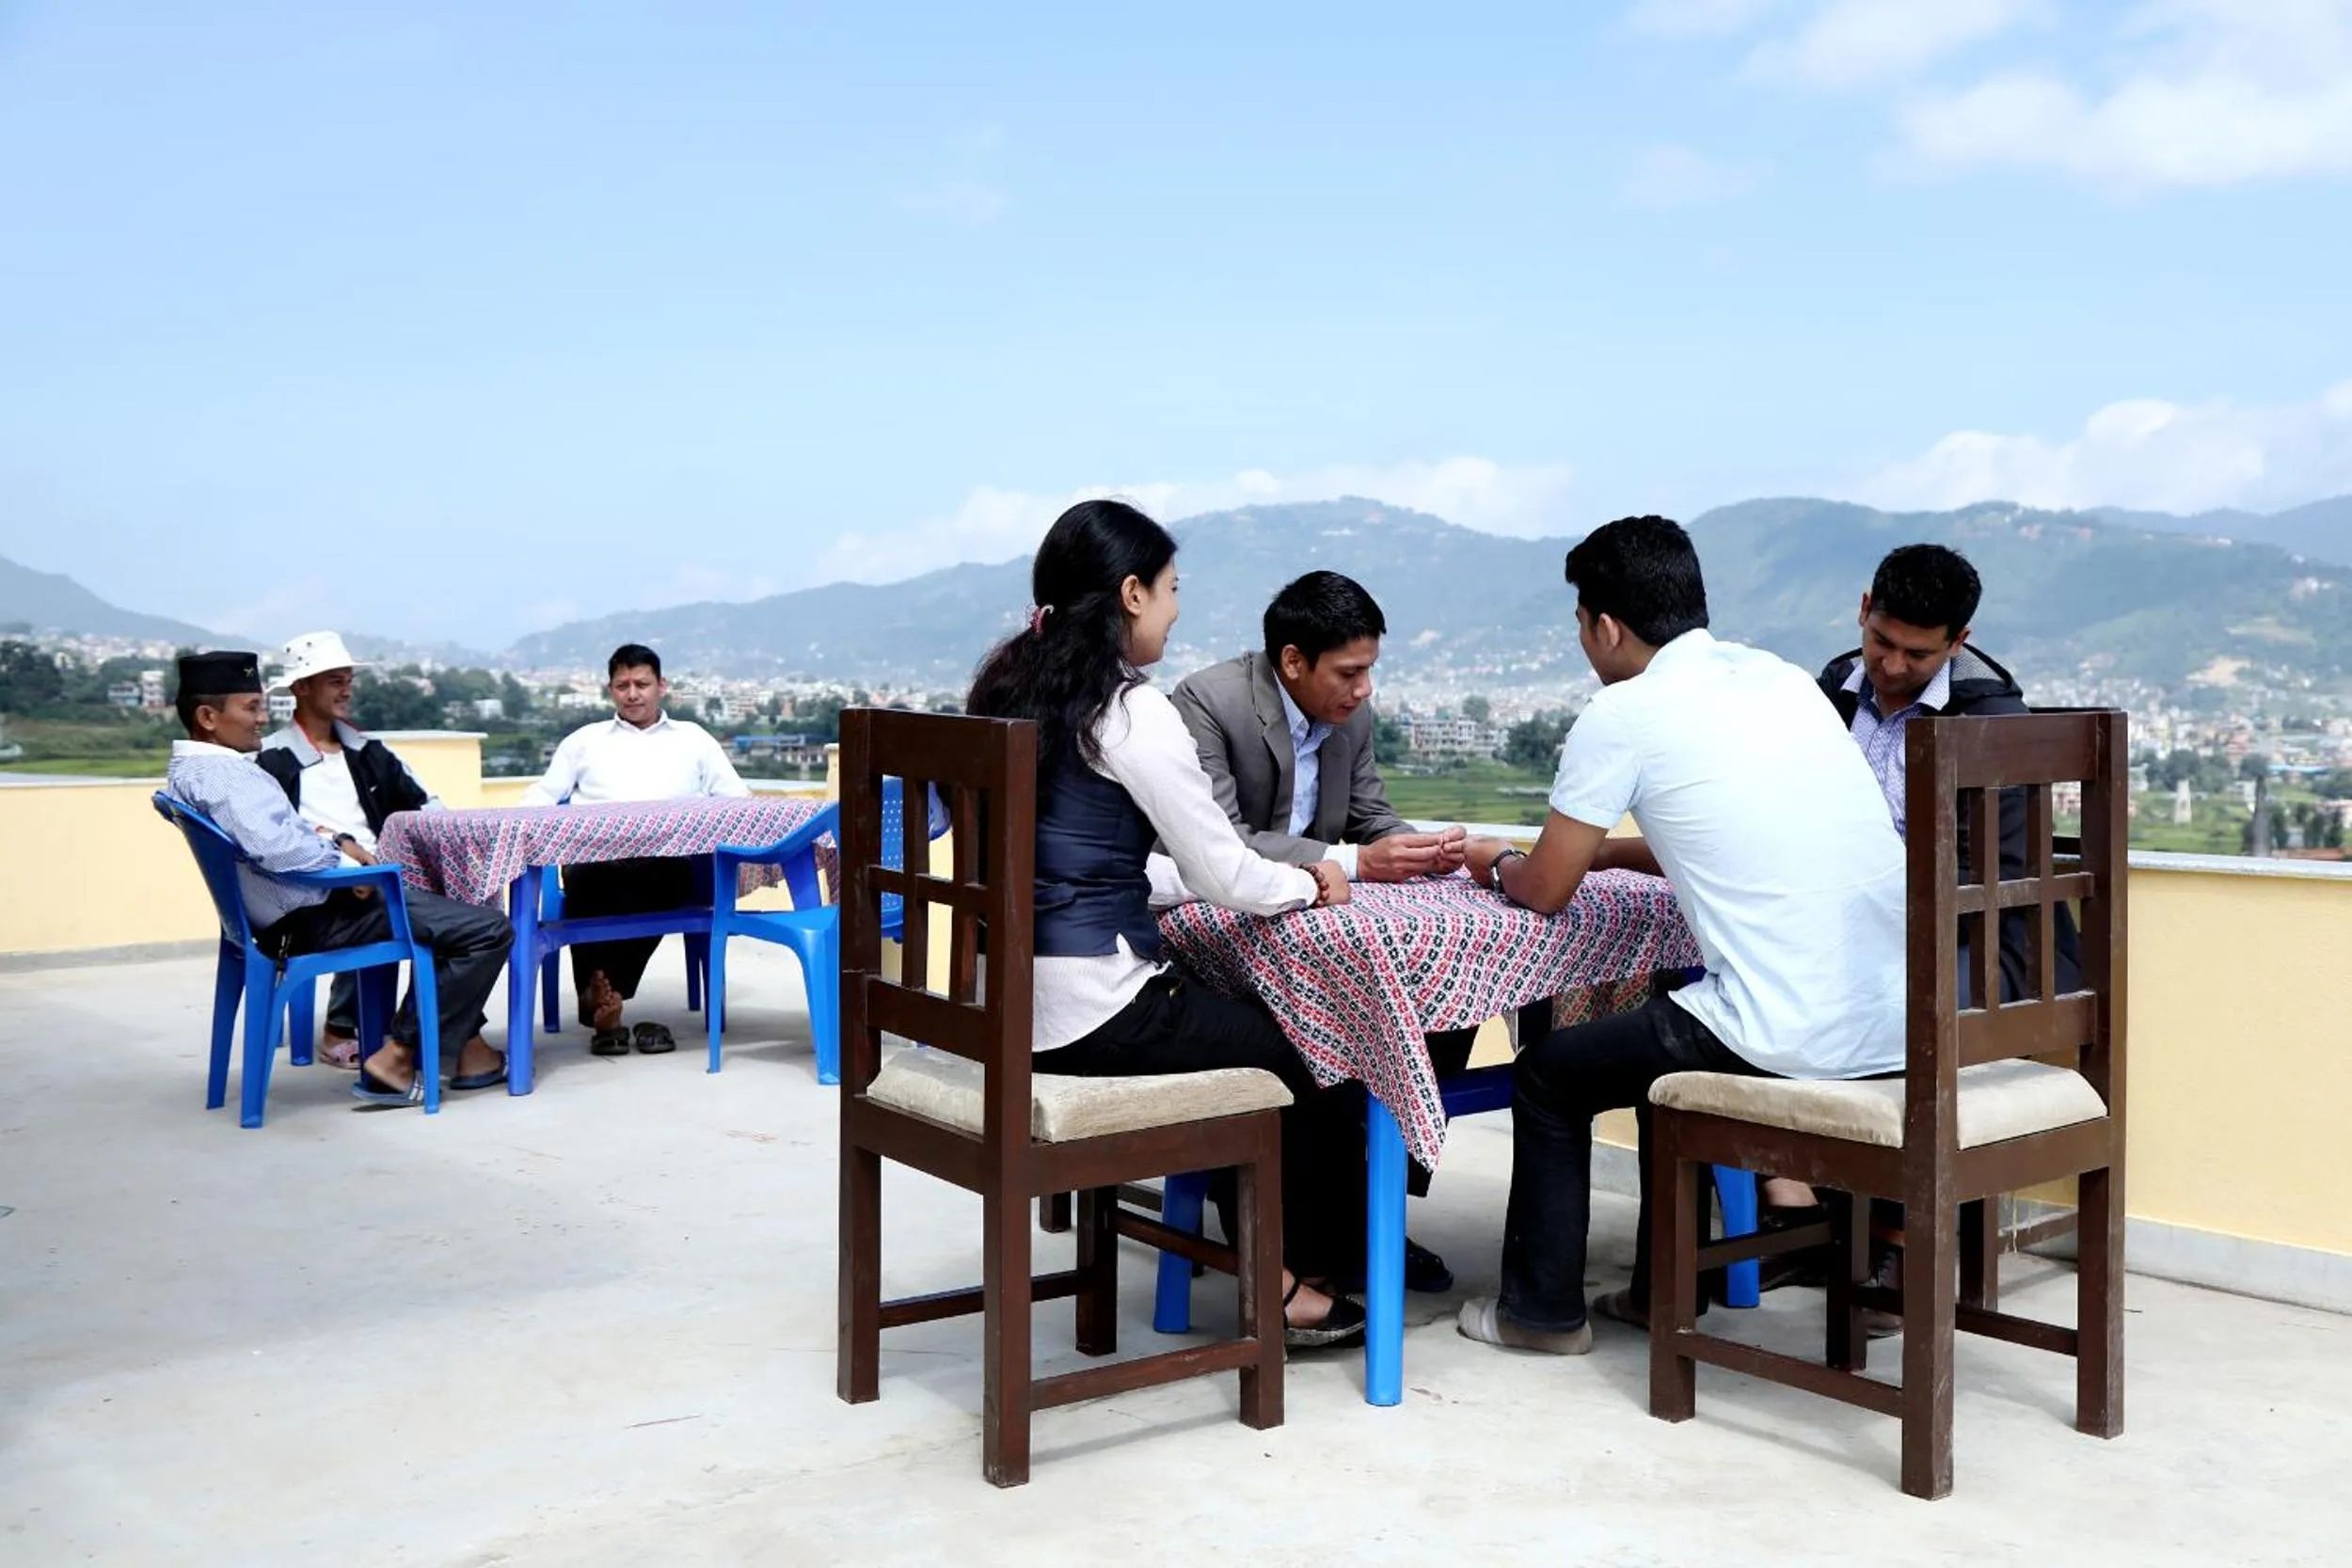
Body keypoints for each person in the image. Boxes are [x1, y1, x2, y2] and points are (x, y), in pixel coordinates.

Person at [1448, 515, 1908, 1355]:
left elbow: (1545, 890)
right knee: (1667, 1016)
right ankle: (1667, 1290)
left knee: (1551, 1074)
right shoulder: (1783, 681)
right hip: (1898, 1018)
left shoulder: (1623, 711)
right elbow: (1707, 836)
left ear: (1605, 625)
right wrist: (1587, 856)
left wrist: (1502, 860)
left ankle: (1540, 1314)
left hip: (1789, 1030)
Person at [966, 499, 1368, 1348]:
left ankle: (1274, 1261)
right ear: (1132, 594)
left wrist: (1179, 884)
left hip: (1002, 1010)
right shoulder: (1130, 709)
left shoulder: (1008, 688)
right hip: (1091, 1012)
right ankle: (1297, 1276)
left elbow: (1076, 857)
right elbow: (1222, 871)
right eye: (1173, 587)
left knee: (1233, 1030)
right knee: (1306, 1045)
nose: (1178, 609)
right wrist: (1312, 880)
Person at [1750, 544, 2088, 1285]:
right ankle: (1794, 1202)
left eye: (1918, 653)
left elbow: (1993, 878)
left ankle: (1898, 1241)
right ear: (1863, 607)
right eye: (1882, 641)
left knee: (1885, 1005)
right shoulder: (1832, 691)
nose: (1893, 665)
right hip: (1864, 932)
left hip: (1991, 944)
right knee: (1737, 984)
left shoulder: (1994, 718)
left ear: (1958, 642)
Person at [1172, 569, 1470, 1292]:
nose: (1363, 689)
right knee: (1313, 1039)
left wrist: (1421, 849)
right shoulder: (1207, 703)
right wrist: (1347, 859)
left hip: (1319, 919)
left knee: (1450, 988)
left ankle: (1367, 1213)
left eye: (1370, 670)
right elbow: (1222, 840)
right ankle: (1311, 1233)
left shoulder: (1351, 719)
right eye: (1351, 671)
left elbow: (1371, 816)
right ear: (1293, 660)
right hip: (1223, 922)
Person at [166, 651, 512, 1105]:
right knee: (487, 929)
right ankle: (401, 1053)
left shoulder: (196, 770)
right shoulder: (226, 776)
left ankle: (457, 1047)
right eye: (250, 708)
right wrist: (349, 869)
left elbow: (281, 834)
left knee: (446, 915)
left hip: (283, 914)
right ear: (208, 717)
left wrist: (339, 846)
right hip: (312, 915)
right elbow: (278, 848)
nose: (261, 718)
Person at [522, 642, 749, 1055]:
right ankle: (607, 997)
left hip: (670, 865)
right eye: (622, 685)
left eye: (642, 683)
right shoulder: (584, 741)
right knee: (586, 880)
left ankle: (603, 999)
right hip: (595, 865)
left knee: (661, 881)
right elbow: (543, 795)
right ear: (610, 690)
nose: (633, 693)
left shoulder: (693, 739)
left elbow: (735, 797)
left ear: (661, 686)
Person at [258, 630, 443, 1070]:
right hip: (315, 883)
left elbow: (427, 804)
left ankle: (414, 1030)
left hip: (381, 872)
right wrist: (342, 851)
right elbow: (275, 829)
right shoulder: (270, 760)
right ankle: (343, 1027)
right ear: (302, 688)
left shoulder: (369, 752)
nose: (346, 690)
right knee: (392, 902)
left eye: (348, 680)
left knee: (450, 902)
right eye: (334, 681)